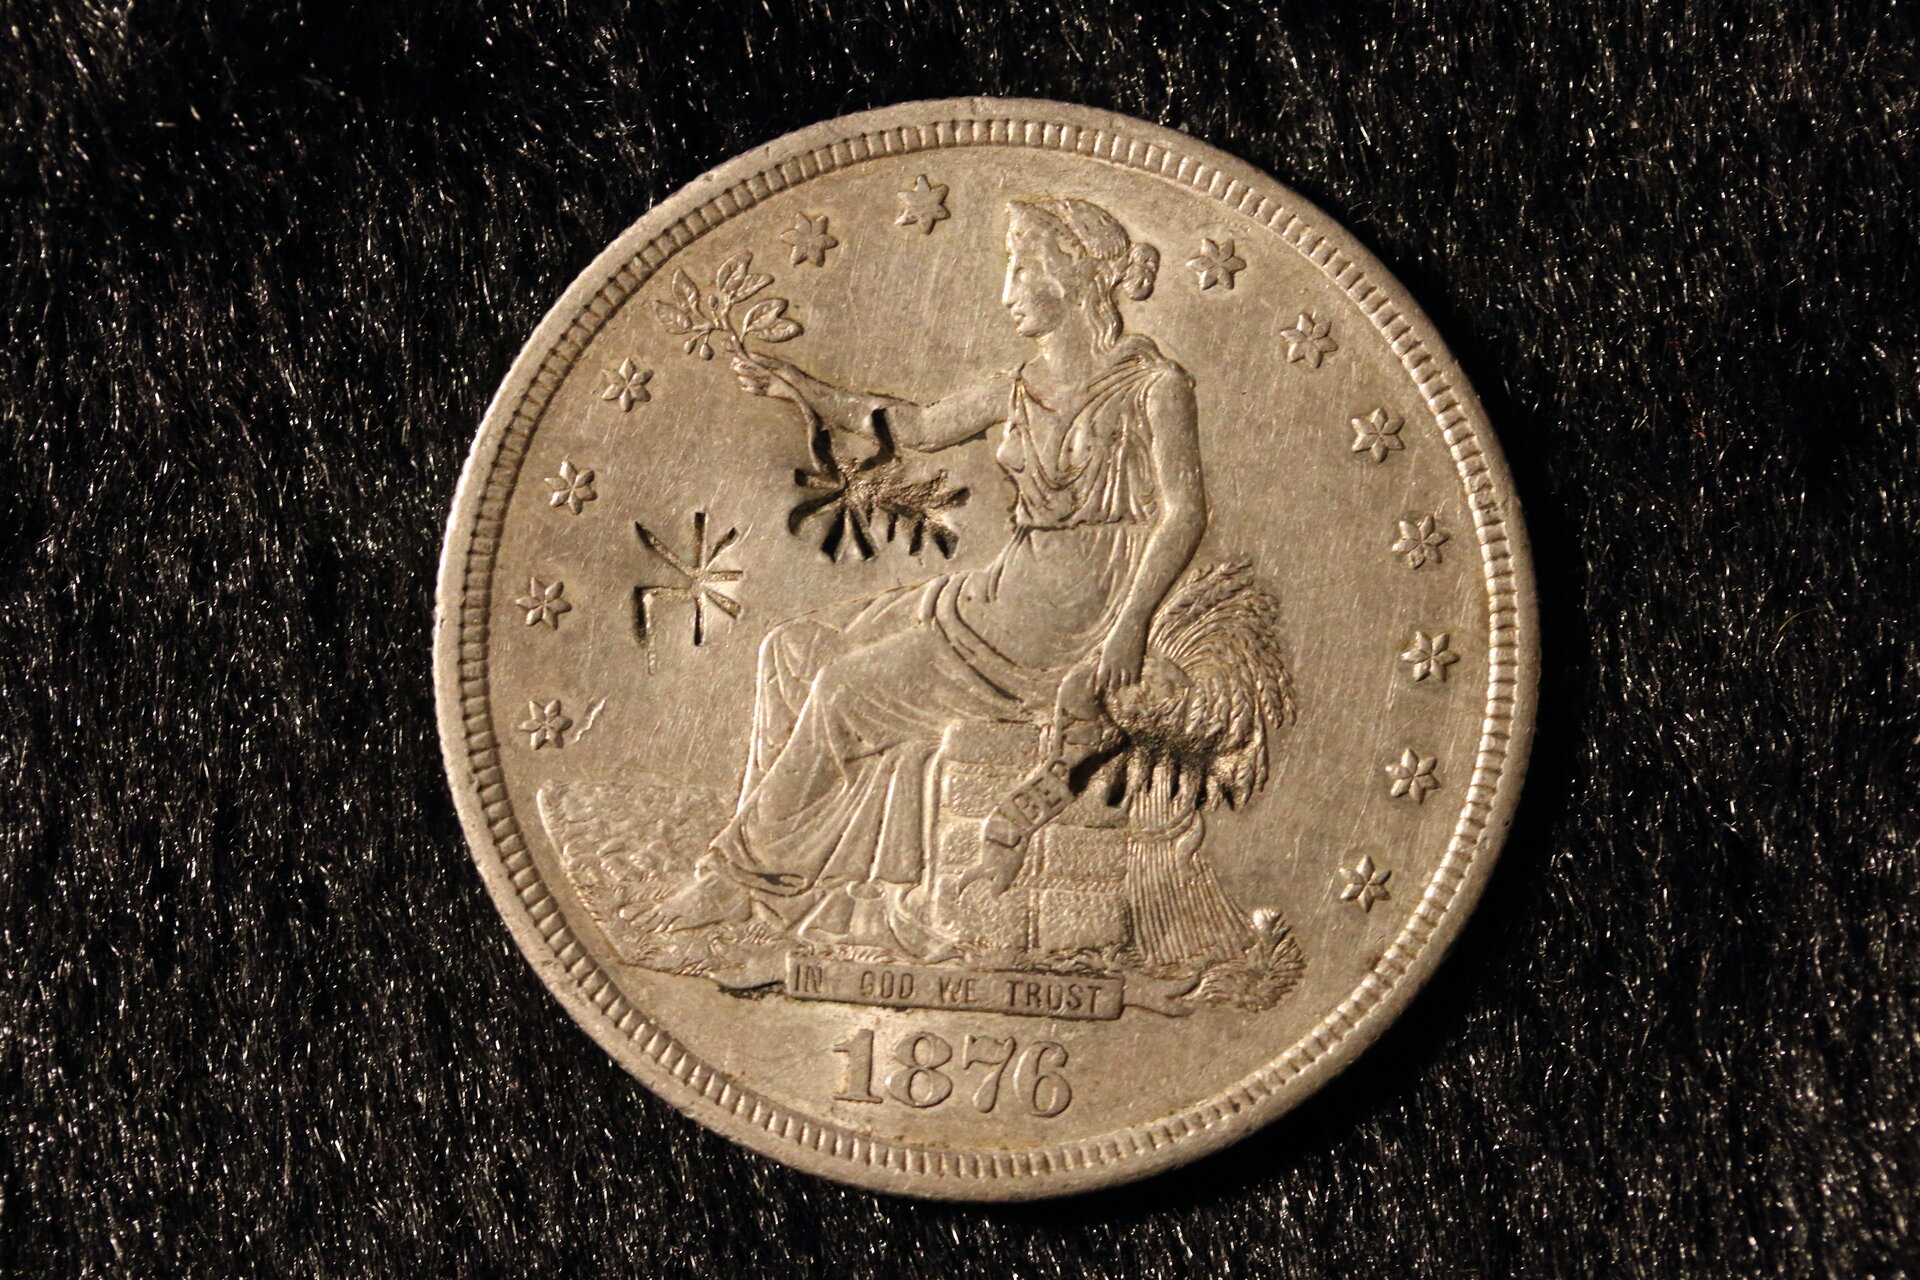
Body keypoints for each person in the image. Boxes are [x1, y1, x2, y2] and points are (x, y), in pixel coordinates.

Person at [646, 197, 1207, 939]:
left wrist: (1129, 628)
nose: (1006, 292)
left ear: (1071, 276)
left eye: (1021, 270)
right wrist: (801, 388)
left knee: (844, 690)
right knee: (793, 650)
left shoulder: (1155, 386)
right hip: (996, 595)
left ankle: (742, 878)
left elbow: (1184, 514)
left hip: (1062, 621)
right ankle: (820, 889)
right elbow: (916, 426)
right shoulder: (1017, 386)